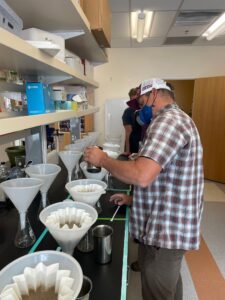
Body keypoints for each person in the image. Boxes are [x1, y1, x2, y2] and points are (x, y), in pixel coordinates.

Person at [84, 78, 204, 300]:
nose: (140, 110)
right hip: (170, 223)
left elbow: (141, 175)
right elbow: (167, 177)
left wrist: (103, 160)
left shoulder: (168, 122)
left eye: (142, 102)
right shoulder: (175, 120)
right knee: (169, 286)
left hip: (165, 230)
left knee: (157, 291)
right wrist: (132, 201)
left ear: (155, 94)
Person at [122, 87, 142, 155]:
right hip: (133, 147)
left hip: (144, 145)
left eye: (137, 99)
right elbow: (128, 132)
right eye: (134, 99)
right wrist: (128, 151)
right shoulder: (128, 112)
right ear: (130, 99)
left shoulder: (143, 109)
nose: (137, 102)